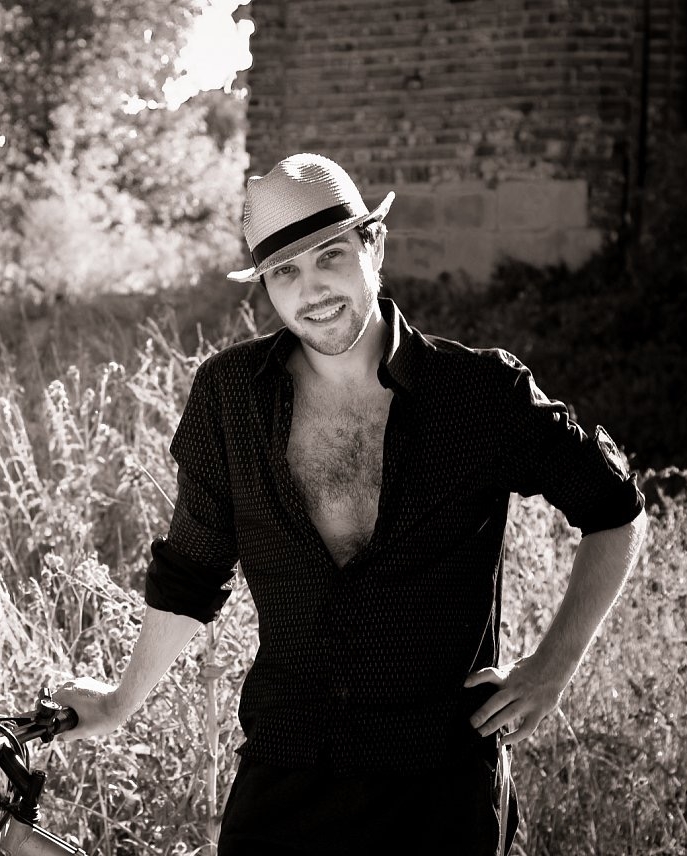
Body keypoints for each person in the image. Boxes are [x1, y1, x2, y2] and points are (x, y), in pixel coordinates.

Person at [52, 153, 647, 854]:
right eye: (284, 272)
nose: (312, 291)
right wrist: (119, 703)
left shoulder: (479, 394)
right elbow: (191, 571)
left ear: (375, 246)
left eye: (329, 256)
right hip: (285, 773)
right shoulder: (230, 396)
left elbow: (616, 512)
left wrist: (552, 668)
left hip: (442, 789)